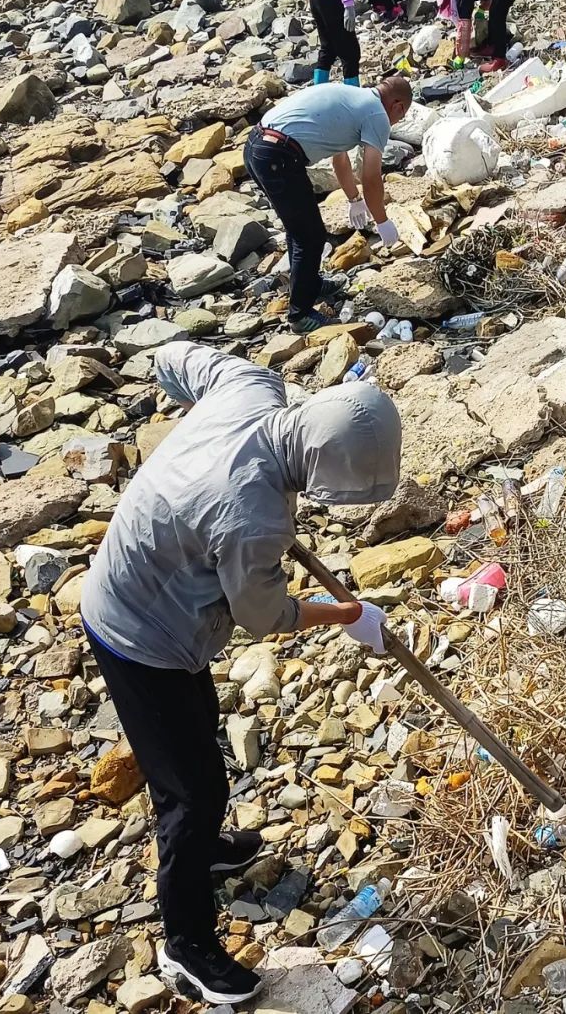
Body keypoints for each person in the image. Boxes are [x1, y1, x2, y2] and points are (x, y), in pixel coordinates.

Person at [82, 341, 401, 1007]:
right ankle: (187, 944)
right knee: (191, 793)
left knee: (197, 736)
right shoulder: (250, 516)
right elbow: (264, 615)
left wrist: (192, 427)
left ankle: (206, 852)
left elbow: (177, 358)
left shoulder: (252, 388)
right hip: (137, 631)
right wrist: (346, 614)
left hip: (152, 599)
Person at [244, 76, 412, 334]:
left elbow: (340, 162)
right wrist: (382, 221)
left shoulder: (351, 98)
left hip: (257, 145)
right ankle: (300, 314)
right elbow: (371, 176)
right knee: (309, 236)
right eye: (400, 117)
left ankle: (309, 284)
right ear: (398, 106)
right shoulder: (377, 114)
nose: (395, 122)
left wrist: (354, 200)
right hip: (279, 155)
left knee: (299, 228)